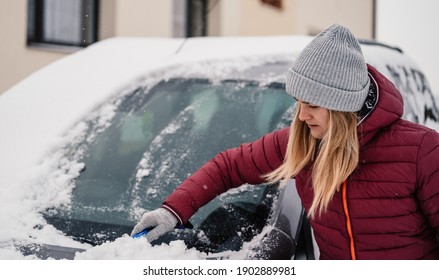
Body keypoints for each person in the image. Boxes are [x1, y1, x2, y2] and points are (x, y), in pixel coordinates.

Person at [131, 24, 439, 260]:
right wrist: (172, 211)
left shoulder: (421, 151)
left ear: (343, 106)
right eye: (298, 102)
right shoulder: (303, 144)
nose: (302, 115)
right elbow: (228, 167)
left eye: (313, 105)